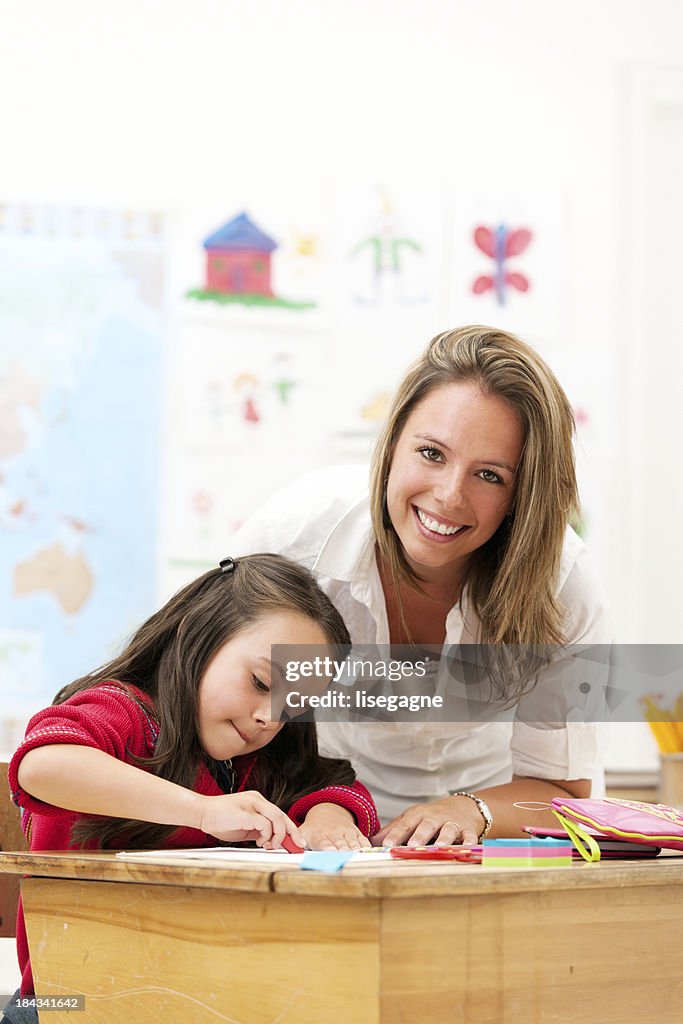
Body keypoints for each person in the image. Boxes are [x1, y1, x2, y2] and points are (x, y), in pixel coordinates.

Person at [232, 325, 612, 848]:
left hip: (494, 826)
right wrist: (320, 804)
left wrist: (469, 810)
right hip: (317, 814)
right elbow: (210, 711)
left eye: (490, 476)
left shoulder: (562, 585)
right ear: (392, 445)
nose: (448, 496)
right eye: (432, 453)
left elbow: (563, 791)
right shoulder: (294, 540)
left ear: (521, 496)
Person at [4, 554, 379, 1017]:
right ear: (195, 636)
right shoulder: (125, 711)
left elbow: (331, 784)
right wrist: (202, 811)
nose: (269, 717)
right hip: (68, 999)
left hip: (186, 999)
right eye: (261, 681)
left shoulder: (253, 758)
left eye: (293, 706)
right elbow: (42, 765)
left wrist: (328, 816)